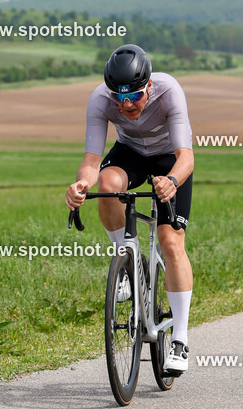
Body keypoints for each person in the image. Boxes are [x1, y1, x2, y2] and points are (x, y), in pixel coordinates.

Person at [65, 44, 195, 374]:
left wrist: (172, 181)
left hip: (169, 159)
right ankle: (127, 259)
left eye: (134, 96)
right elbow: (92, 160)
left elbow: (186, 157)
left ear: (148, 86)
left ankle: (180, 338)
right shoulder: (100, 99)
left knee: (170, 243)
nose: (125, 105)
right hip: (130, 153)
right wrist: (81, 185)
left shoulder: (169, 91)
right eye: (119, 97)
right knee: (107, 186)